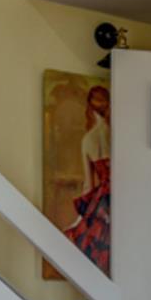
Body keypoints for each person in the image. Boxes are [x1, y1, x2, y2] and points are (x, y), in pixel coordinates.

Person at [65, 85, 110, 273]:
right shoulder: (121, 137)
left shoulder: (88, 140)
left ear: (89, 108)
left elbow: (89, 186)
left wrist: (79, 219)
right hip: (123, 196)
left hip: (103, 198)